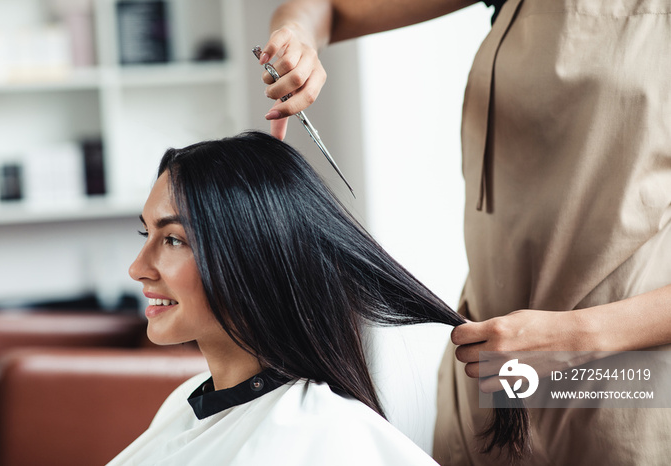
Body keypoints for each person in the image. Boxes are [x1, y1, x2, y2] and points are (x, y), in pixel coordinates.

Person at [258, 1, 671, 465]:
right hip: (490, 372)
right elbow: (325, 7)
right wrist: (298, 37)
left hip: (625, 383)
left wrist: (573, 339)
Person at [107, 131, 526, 465]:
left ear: (252, 252)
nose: (138, 267)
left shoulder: (313, 431)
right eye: (148, 234)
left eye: (174, 239)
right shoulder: (184, 404)